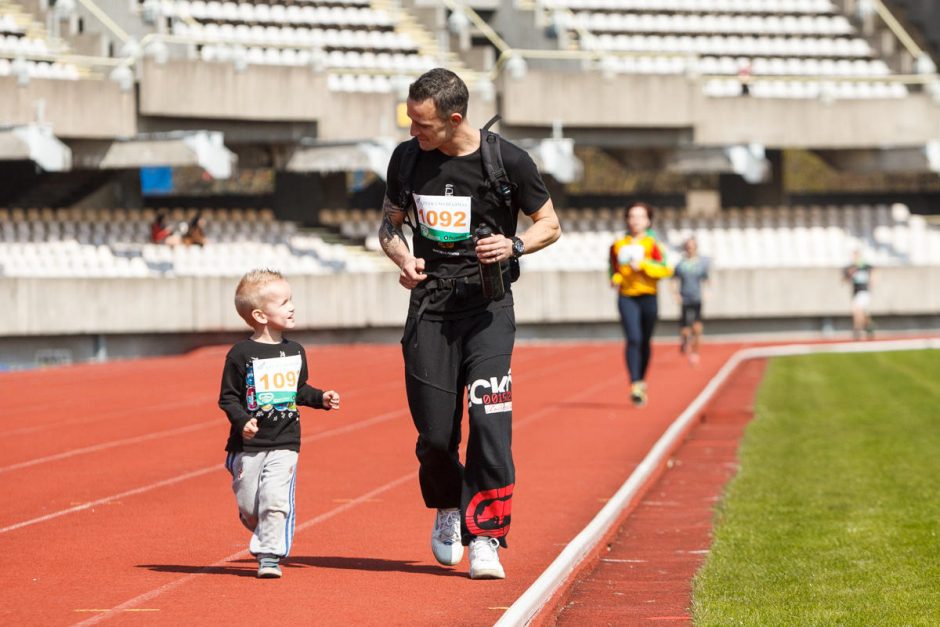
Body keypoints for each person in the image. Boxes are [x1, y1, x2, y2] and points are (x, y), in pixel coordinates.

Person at [377, 68, 561, 580]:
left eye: (423, 125)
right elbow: (388, 225)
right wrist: (401, 259)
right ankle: (448, 508)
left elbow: (550, 223)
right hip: (429, 310)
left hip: (488, 310)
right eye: (411, 122)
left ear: (454, 119)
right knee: (436, 436)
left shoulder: (507, 160)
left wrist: (514, 244)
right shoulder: (406, 159)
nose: (414, 132)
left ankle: (487, 535)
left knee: (489, 421)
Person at [218, 269, 341, 578]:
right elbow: (228, 398)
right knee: (250, 506)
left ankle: (269, 555)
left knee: (275, 499)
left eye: (291, 300)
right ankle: (256, 518)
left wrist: (321, 398)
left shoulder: (294, 351)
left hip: (286, 441)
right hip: (248, 445)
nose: (292, 307)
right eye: (284, 302)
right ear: (260, 315)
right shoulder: (240, 354)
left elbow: (298, 390)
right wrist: (243, 421)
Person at [609, 202, 673, 407]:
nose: (635, 221)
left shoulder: (653, 244)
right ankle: (635, 383)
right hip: (627, 297)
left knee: (645, 341)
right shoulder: (618, 244)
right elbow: (613, 268)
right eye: (632, 216)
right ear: (626, 219)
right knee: (634, 338)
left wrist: (644, 266)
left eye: (640, 217)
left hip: (648, 296)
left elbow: (665, 268)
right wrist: (616, 278)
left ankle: (641, 379)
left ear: (648, 220)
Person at [672, 236, 711, 365]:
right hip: (685, 299)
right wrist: (676, 294)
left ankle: (695, 353)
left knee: (697, 328)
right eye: (688, 246)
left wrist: (707, 292)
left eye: (692, 246)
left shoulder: (701, 264)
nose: (690, 249)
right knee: (685, 329)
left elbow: (706, 279)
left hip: (697, 298)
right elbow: (673, 279)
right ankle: (684, 340)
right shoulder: (680, 265)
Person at [843, 249, 874, 340]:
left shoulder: (865, 266)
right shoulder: (851, 268)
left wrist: (871, 283)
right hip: (855, 292)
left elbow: (873, 274)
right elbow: (845, 279)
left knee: (856, 310)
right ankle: (869, 326)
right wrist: (850, 275)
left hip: (864, 291)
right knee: (862, 312)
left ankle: (857, 330)